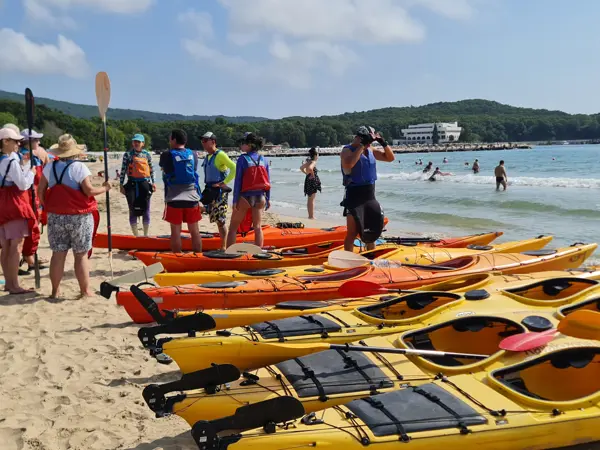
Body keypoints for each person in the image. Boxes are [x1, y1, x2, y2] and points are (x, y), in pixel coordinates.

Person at [38, 134, 109, 298]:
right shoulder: (79, 167)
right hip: (79, 216)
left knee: (58, 253)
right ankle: (85, 291)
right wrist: (105, 188)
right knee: (81, 254)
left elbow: (40, 190)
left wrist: (48, 206)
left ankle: (55, 291)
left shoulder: (50, 167)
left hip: (56, 215)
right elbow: (89, 191)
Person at [340, 126, 394, 251]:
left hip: (370, 195)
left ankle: (371, 257)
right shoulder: (347, 150)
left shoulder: (370, 150)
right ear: (359, 137)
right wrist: (362, 145)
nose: (370, 143)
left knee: (372, 233)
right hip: (354, 195)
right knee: (352, 233)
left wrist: (383, 143)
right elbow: (349, 164)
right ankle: (348, 260)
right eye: (368, 140)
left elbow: (390, 158)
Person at [0, 128, 37, 294]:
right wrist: (31, 172)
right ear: (5, 141)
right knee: (16, 246)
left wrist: (22, 166)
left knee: (6, 246)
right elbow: (23, 184)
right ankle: (14, 285)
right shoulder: (10, 161)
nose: (18, 144)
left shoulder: (3, 160)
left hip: (1, 202)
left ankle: (9, 283)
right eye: (15, 141)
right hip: (13, 203)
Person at [159, 129, 203, 253]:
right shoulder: (193, 154)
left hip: (174, 198)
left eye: (169, 138)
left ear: (173, 139)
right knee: (194, 230)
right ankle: (198, 257)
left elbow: (164, 169)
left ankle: (178, 257)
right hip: (192, 198)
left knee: (175, 232)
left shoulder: (166, 155)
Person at [226, 132, 271, 248]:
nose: (241, 146)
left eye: (243, 143)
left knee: (233, 228)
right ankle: (258, 254)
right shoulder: (264, 159)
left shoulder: (242, 159)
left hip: (245, 197)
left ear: (250, 144)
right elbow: (268, 182)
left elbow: (238, 181)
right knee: (257, 227)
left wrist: (235, 200)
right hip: (260, 197)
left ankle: (229, 253)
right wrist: (268, 198)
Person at [19, 128, 50, 274]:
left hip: (36, 197)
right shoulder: (22, 157)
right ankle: (28, 257)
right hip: (26, 198)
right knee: (29, 229)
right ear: (27, 142)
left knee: (34, 229)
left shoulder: (36, 157)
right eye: (36, 140)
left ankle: (29, 256)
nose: (39, 142)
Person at [200, 131, 236, 251]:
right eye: (202, 141)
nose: (203, 143)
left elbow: (233, 168)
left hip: (220, 193)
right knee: (206, 213)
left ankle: (224, 247)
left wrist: (223, 183)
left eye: (205, 140)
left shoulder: (220, 155)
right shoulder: (207, 156)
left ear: (213, 142)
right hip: (209, 190)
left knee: (220, 220)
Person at [119, 134, 156, 237]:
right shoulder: (128, 155)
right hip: (131, 184)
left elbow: (152, 169)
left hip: (144, 184)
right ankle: (136, 236)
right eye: (134, 141)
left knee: (146, 209)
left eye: (138, 142)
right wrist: (121, 184)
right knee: (132, 209)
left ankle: (145, 235)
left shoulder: (147, 155)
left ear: (143, 144)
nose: (136, 143)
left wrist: (153, 182)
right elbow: (123, 170)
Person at [300, 147, 321, 219]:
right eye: (318, 154)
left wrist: (306, 174)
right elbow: (310, 168)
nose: (318, 156)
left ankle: (310, 215)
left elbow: (301, 167)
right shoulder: (313, 162)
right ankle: (311, 216)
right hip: (312, 181)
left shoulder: (309, 161)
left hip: (308, 180)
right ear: (315, 155)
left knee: (309, 199)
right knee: (312, 199)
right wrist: (312, 174)